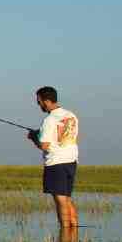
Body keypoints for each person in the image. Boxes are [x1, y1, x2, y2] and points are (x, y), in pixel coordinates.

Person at [26, 86, 80, 229]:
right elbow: (61, 135)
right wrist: (41, 133)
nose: (39, 105)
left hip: (56, 163)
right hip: (71, 162)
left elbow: (44, 145)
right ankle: (73, 233)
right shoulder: (71, 115)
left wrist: (33, 137)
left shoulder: (49, 120)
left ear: (47, 101)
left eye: (39, 102)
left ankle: (65, 234)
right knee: (67, 199)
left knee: (60, 200)